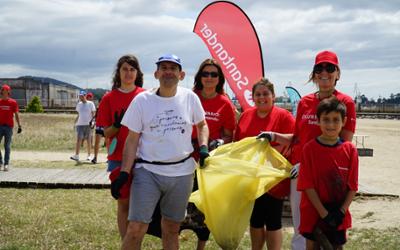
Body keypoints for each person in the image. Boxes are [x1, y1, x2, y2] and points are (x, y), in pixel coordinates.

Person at [111, 53, 209, 250]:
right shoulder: (142, 101)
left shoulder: (190, 98)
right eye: (163, 68)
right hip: (148, 171)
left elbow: (202, 125)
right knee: (137, 227)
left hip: (182, 172)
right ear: (156, 73)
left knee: (172, 227)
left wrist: (204, 147)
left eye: (173, 68)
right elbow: (132, 140)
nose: (168, 72)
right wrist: (124, 172)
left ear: (181, 75)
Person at [290, 50, 356, 250]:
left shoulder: (346, 103)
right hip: (300, 174)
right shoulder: (304, 102)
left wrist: (310, 167)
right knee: (302, 228)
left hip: (328, 177)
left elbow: (343, 144)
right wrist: (273, 136)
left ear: (338, 73)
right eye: (319, 68)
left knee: (331, 233)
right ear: (314, 74)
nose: (324, 72)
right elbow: (297, 138)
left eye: (330, 67)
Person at [182, 58, 236, 250]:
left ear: (219, 78)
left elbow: (229, 135)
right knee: (181, 205)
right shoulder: (189, 96)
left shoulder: (225, 103)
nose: (209, 77)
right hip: (185, 158)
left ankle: (200, 247)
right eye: (206, 73)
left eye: (214, 74)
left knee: (204, 209)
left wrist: (220, 143)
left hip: (209, 162)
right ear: (199, 77)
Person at [234, 78, 295, 250]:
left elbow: (294, 140)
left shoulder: (284, 116)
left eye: (265, 94)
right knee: (255, 218)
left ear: (273, 96)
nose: (261, 97)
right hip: (251, 178)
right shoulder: (246, 116)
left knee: (273, 220)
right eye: (258, 94)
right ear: (253, 97)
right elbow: (237, 144)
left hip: (273, 179)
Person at [297, 97, 359, 249]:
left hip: (338, 212)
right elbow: (307, 185)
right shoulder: (309, 149)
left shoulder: (350, 150)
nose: (331, 124)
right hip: (313, 211)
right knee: (312, 246)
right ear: (318, 121)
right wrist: (323, 213)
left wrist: (341, 211)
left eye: (335, 120)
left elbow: (353, 186)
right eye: (326, 119)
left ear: (343, 121)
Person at [95, 54, 145, 239]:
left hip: (143, 157)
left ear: (137, 73)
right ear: (118, 72)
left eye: (132, 69)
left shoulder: (146, 95)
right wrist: (116, 126)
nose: (128, 73)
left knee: (140, 204)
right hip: (118, 158)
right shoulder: (109, 98)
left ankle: (135, 239)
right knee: (124, 203)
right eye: (125, 69)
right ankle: (127, 243)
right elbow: (104, 133)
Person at [0, 84, 22, 171]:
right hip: (0, 126)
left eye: (6, 90)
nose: (4, 92)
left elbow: (16, 114)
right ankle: (0, 162)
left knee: (7, 146)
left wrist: (19, 125)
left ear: (9, 92)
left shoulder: (13, 102)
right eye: (3, 90)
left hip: (9, 127)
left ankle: (6, 164)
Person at [70, 90, 96, 162]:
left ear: (85, 96)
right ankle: (77, 155)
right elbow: (79, 114)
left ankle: (89, 156)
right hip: (80, 124)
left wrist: (93, 122)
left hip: (88, 124)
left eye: (82, 96)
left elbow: (93, 113)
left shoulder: (90, 103)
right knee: (79, 139)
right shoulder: (79, 104)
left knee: (88, 140)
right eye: (80, 96)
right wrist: (75, 123)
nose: (81, 97)